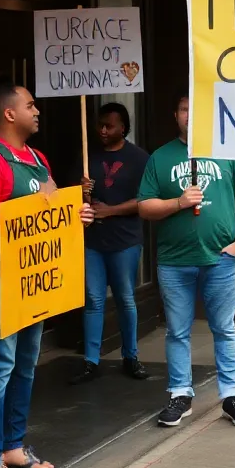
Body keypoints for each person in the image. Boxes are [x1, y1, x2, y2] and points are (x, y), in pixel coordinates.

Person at [0, 83, 94, 468]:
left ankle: (13, 447)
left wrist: (73, 212)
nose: (37, 111)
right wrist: (34, 214)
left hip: (33, 281)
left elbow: (49, 207)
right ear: (9, 114)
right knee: (1, 366)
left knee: (25, 366)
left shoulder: (38, 159)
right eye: (30, 105)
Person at [138, 95, 235, 428]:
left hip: (221, 259)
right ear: (175, 115)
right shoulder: (160, 157)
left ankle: (231, 395)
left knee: (224, 328)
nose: (190, 115)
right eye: (184, 109)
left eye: (196, 108)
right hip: (174, 262)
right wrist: (178, 202)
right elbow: (144, 207)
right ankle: (180, 394)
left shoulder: (227, 151)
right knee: (177, 331)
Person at [71, 102, 151, 385]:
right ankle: (91, 361)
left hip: (125, 240)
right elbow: (71, 200)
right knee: (93, 300)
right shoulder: (86, 156)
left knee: (125, 298)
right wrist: (81, 191)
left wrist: (110, 211)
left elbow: (146, 200)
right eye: (100, 125)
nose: (103, 130)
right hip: (93, 240)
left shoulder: (140, 158)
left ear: (123, 128)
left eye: (109, 126)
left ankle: (131, 356)